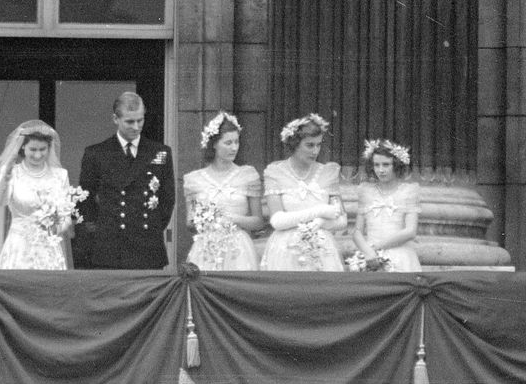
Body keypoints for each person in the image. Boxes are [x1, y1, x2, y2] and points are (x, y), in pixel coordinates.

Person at [75, 91, 176, 269]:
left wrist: (150, 229)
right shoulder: (97, 153)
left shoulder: (160, 152)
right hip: (110, 248)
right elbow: (85, 199)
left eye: (140, 120)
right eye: (130, 121)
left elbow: (167, 200)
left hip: (147, 247)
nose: (136, 127)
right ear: (116, 119)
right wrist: (102, 230)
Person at [0, 120, 74, 269]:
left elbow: (66, 216)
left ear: (49, 148)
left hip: (48, 248)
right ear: (23, 147)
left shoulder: (60, 176)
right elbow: (1, 201)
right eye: (33, 149)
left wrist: (54, 226)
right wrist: (5, 179)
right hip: (19, 247)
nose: (37, 155)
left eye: (42, 149)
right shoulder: (13, 172)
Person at [260, 112, 346, 271]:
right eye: (309, 145)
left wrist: (320, 222)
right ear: (294, 144)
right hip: (286, 250)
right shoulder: (275, 172)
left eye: (318, 145)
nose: (315, 151)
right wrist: (319, 211)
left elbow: (341, 220)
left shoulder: (328, 172)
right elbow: (277, 221)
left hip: (321, 250)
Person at [182, 112, 263, 271]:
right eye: (228, 143)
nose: (234, 147)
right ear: (214, 144)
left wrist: (230, 218)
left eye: (236, 142)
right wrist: (206, 218)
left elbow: (258, 221)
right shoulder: (194, 179)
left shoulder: (247, 175)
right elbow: (189, 222)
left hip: (238, 249)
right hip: (207, 247)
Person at [352, 138, 422, 272]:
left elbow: (410, 231)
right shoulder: (366, 191)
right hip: (370, 256)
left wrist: (376, 248)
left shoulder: (408, 191)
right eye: (376, 165)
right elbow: (357, 232)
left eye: (386, 164)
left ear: (396, 165)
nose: (380, 170)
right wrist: (368, 251)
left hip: (400, 256)